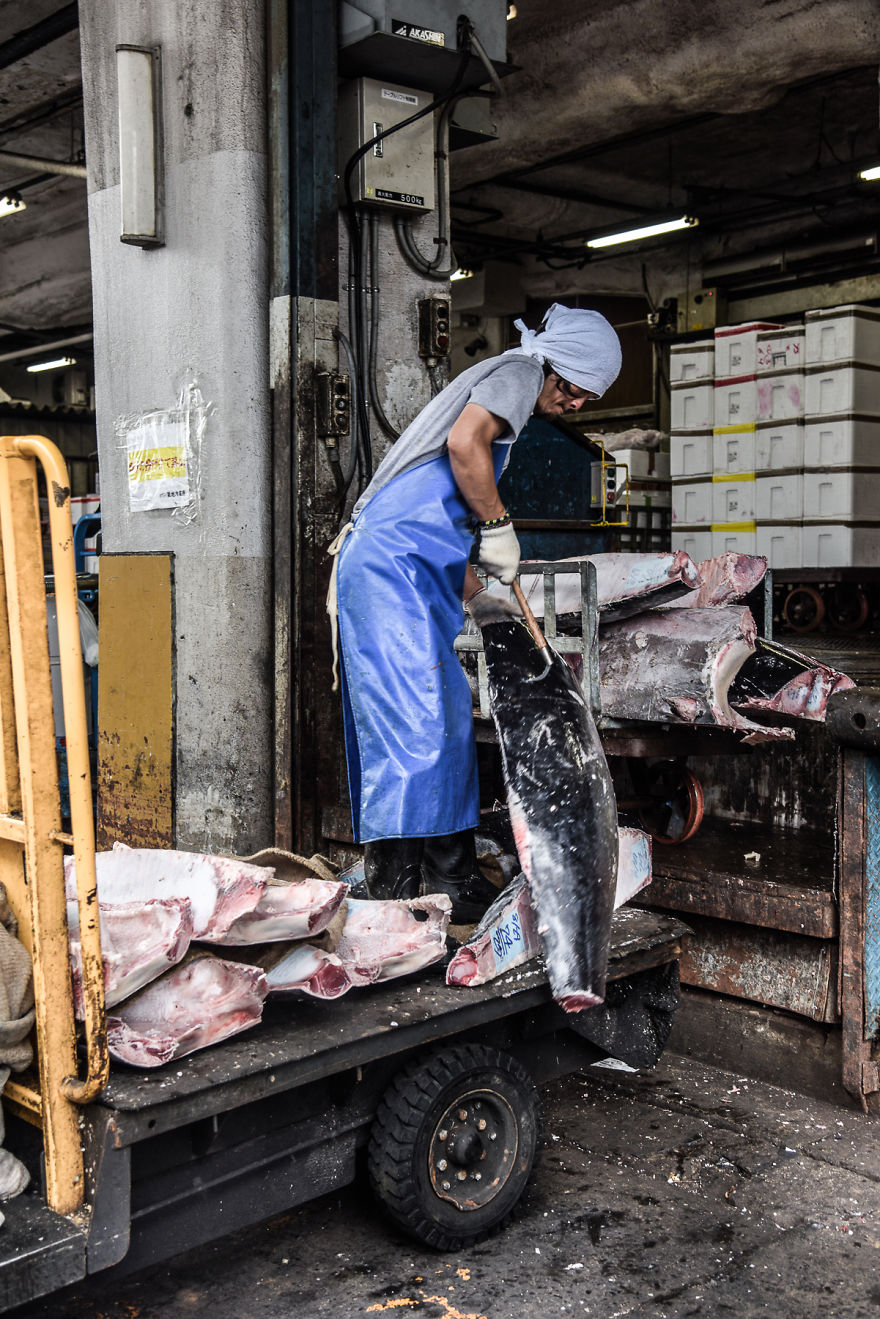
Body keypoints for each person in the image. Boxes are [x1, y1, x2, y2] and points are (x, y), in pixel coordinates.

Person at [329, 303, 622, 919]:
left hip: (414, 566)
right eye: (577, 391)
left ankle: (447, 874)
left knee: (443, 717)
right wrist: (498, 524)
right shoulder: (520, 371)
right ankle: (400, 885)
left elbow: (441, 524)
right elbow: (464, 445)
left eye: (586, 399)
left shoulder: (511, 383)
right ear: (559, 367)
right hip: (389, 565)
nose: (575, 405)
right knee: (415, 720)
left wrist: (480, 596)